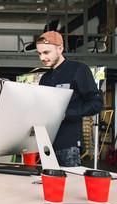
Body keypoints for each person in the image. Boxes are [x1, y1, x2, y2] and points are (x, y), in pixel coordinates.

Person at [36, 30, 104, 167]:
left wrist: (67, 114)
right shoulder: (45, 78)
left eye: (46, 53)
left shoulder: (79, 70)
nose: (42, 58)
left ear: (60, 48)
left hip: (68, 145)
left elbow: (96, 103)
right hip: (46, 145)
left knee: (70, 186)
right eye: (39, 53)